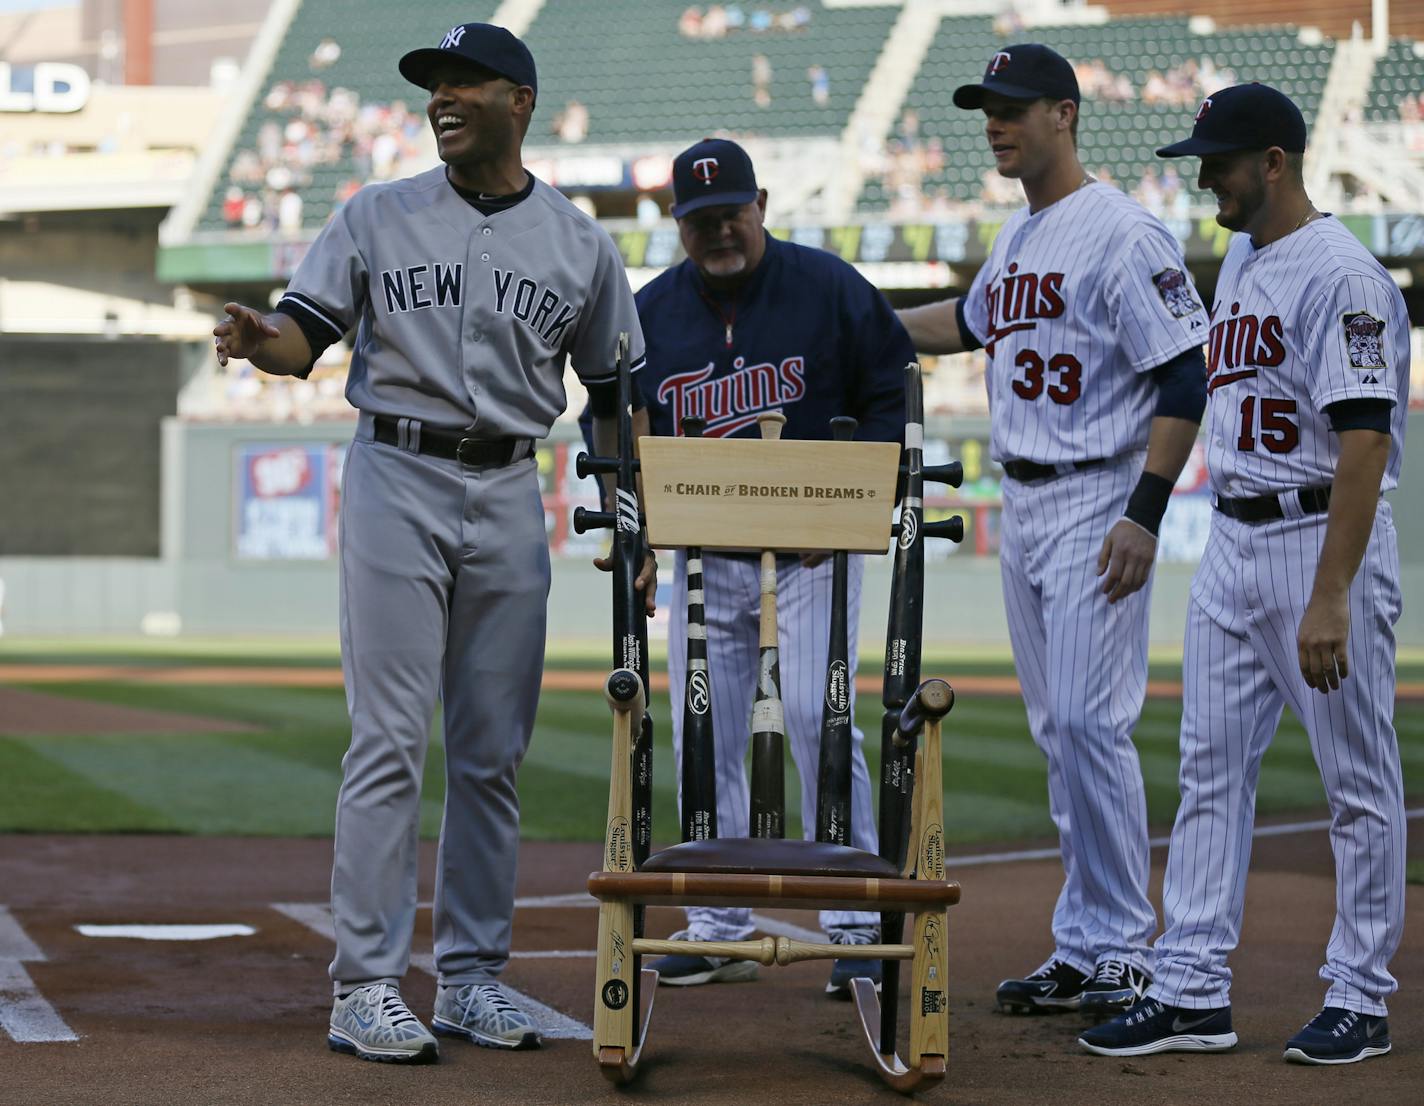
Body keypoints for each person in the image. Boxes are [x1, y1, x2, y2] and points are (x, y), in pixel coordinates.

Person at [213, 22, 651, 1065]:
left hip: (509, 484)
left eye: (464, 83)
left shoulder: (579, 242)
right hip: (395, 474)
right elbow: (301, 337)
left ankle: (468, 977)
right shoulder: (375, 212)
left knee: (493, 751)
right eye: (432, 86)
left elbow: (613, 392)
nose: (441, 99)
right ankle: (364, 982)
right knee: (389, 738)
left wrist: (627, 497)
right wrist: (255, 339)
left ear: (520, 100)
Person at [1081, 84, 1410, 1066]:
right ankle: (1188, 986)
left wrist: (1330, 590)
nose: (1202, 178)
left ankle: (1358, 993)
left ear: (1271, 161)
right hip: (1230, 539)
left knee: (1354, 782)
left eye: (1216, 162)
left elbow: (1361, 437)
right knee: (1207, 772)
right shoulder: (1239, 253)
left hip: (1315, 535)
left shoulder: (1343, 275)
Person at [896, 44, 1209, 1019]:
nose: (993, 122)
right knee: (1055, 729)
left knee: (1086, 719)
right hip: (1026, 495)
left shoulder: (1120, 231)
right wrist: (853, 313)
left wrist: (1143, 509)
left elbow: (1183, 374)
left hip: (1094, 490)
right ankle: (1082, 941)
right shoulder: (1020, 238)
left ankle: (1122, 940)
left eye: (1011, 107)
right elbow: (964, 320)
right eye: (984, 108)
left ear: (1063, 114)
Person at [632, 137, 912, 997]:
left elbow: (894, 388)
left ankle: (858, 921)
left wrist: (852, 498)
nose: (718, 232)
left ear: (759, 208)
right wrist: (641, 531)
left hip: (814, 548)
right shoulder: (650, 310)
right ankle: (716, 920)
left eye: (730, 215)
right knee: (703, 722)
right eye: (699, 220)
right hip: (704, 551)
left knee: (814, 715)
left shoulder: (827, 286)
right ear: (679, 225)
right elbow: (624, 420)